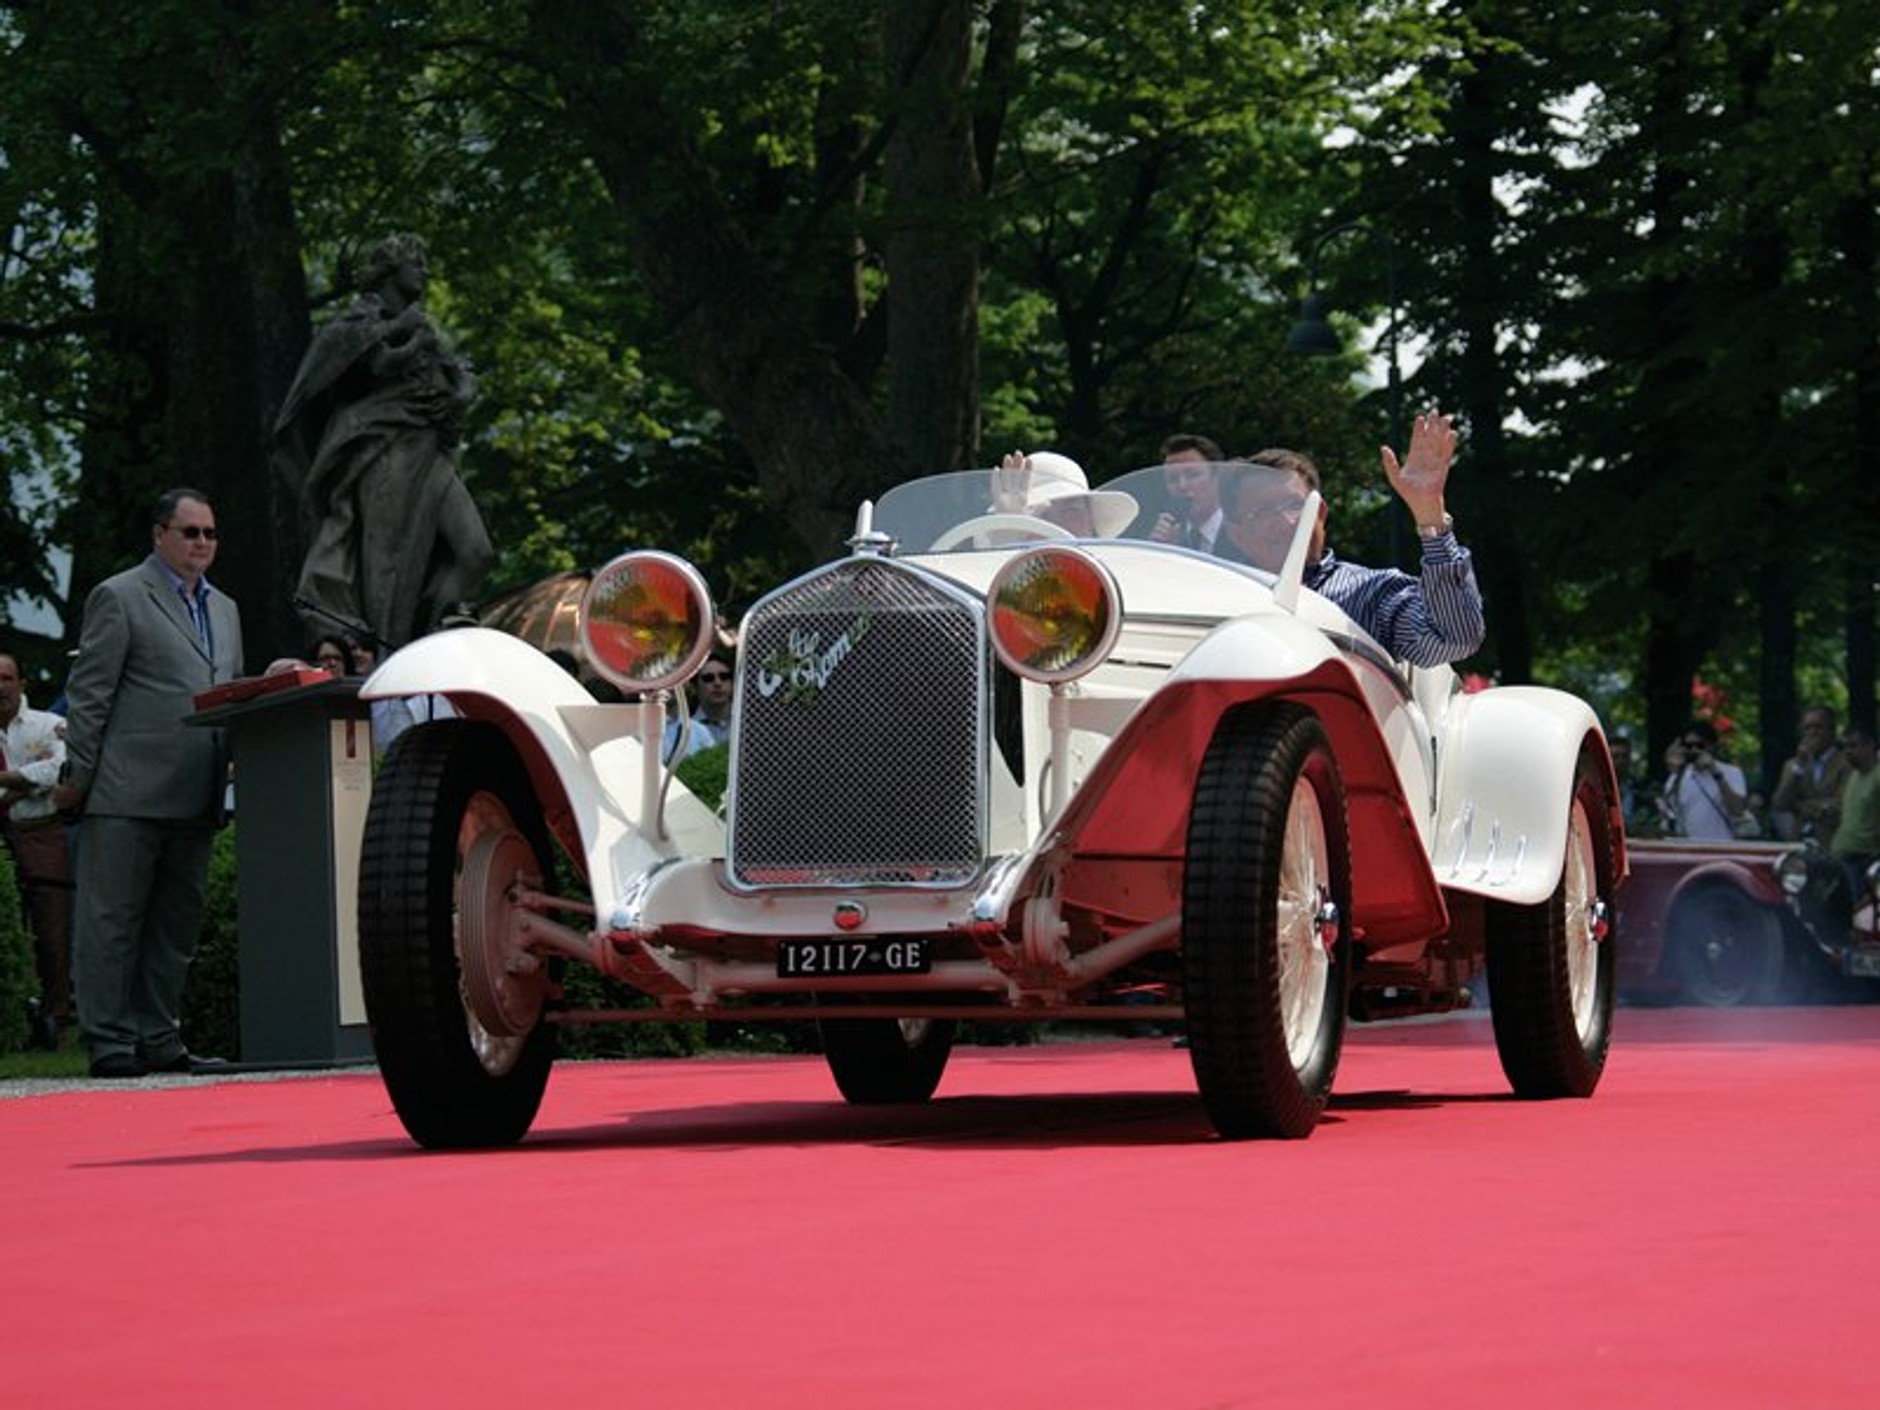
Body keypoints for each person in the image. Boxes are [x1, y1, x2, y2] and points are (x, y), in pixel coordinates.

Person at [51, 488, 243, 1078]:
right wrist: (78, 779)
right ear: (159, 534)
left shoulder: (225, 609)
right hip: (126, 792)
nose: (202, 544)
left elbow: (223, 693)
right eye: (190, 532)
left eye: (210, 533)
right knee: (111, 923)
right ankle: (109, 1041)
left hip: (196, 791)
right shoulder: (120, 595)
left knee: (173, 928)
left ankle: (161, 1037)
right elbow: (89, 697)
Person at [275, 232, 495, 653]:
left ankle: (429, 643)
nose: (425, 272)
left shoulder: (420, 323)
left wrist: (461, 389)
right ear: (392, 272)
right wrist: (405, 332)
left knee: (475, 551)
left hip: (431, 451)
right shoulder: (358, 322)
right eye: (417, 263)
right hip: (383, 448)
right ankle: (384, 660)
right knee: (388, 568)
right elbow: (369, 362)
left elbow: (453, 383)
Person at [1220, 411, 1487, 668]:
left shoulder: (1371, 592)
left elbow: (1453, 639)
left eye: (1295, 505)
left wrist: (1431, 519)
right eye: (1263, 511)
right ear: (1237, 534)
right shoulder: (1216, 594)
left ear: (1321, 514)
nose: (1286, 521)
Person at [0, 650, 74, 1049]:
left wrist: (7, 779)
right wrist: (24, 782)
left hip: (41, 833)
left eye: (6, 678)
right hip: (3, 838)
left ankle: (55, 1019)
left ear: (21, 684)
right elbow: (40, 776)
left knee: (52, 929)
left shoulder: (50, 725)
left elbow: (59, 769)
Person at [992, 452, 1138, 538]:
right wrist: (1009, 531)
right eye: (1042, 515)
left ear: (1090, 522)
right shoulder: (993, 576)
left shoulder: (1113, 577)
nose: (1057, 523)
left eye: (1071, 510)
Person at [1659, 719, 1751, 842]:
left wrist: (1716, 773)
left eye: (1700, 745)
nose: (1694, 750)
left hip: (1723, 846)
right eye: (1689, 746)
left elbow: (1738, 810)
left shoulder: (1732, 772)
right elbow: (1671, 817)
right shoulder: (1677, 778)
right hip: (1688, 849)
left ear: (1712, 746)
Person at [1769, 704, 1851, 841]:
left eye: (1818, 727)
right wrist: (1799, 768)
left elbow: (1840, 806)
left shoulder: (1847, 763)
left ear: (1832, 731)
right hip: (1799, 841)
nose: (1812, 732)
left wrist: (1799, 805)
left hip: (1835, 842)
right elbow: (1780, 804)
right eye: (1807, 728)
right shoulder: (1792, 766)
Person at [1148, 433, 1227, 552]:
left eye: (1192, 475)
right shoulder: (1169, 538)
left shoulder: (1243, 534)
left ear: (1217, 477)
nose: (1182, 486)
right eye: (1173, 479)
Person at [1829, 728, 1880, 893]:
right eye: (1845, 747)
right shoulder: (1853, 776)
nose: (1848, 752)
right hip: (1844, 859)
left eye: (1853, 746)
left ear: (1870, 746)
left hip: (1867, 860)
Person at [664, 652, 736, 762]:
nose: (718, 683)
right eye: (708, 678)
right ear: (694, 687)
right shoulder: (693, 730)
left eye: (724, 676)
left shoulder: (747, 723)